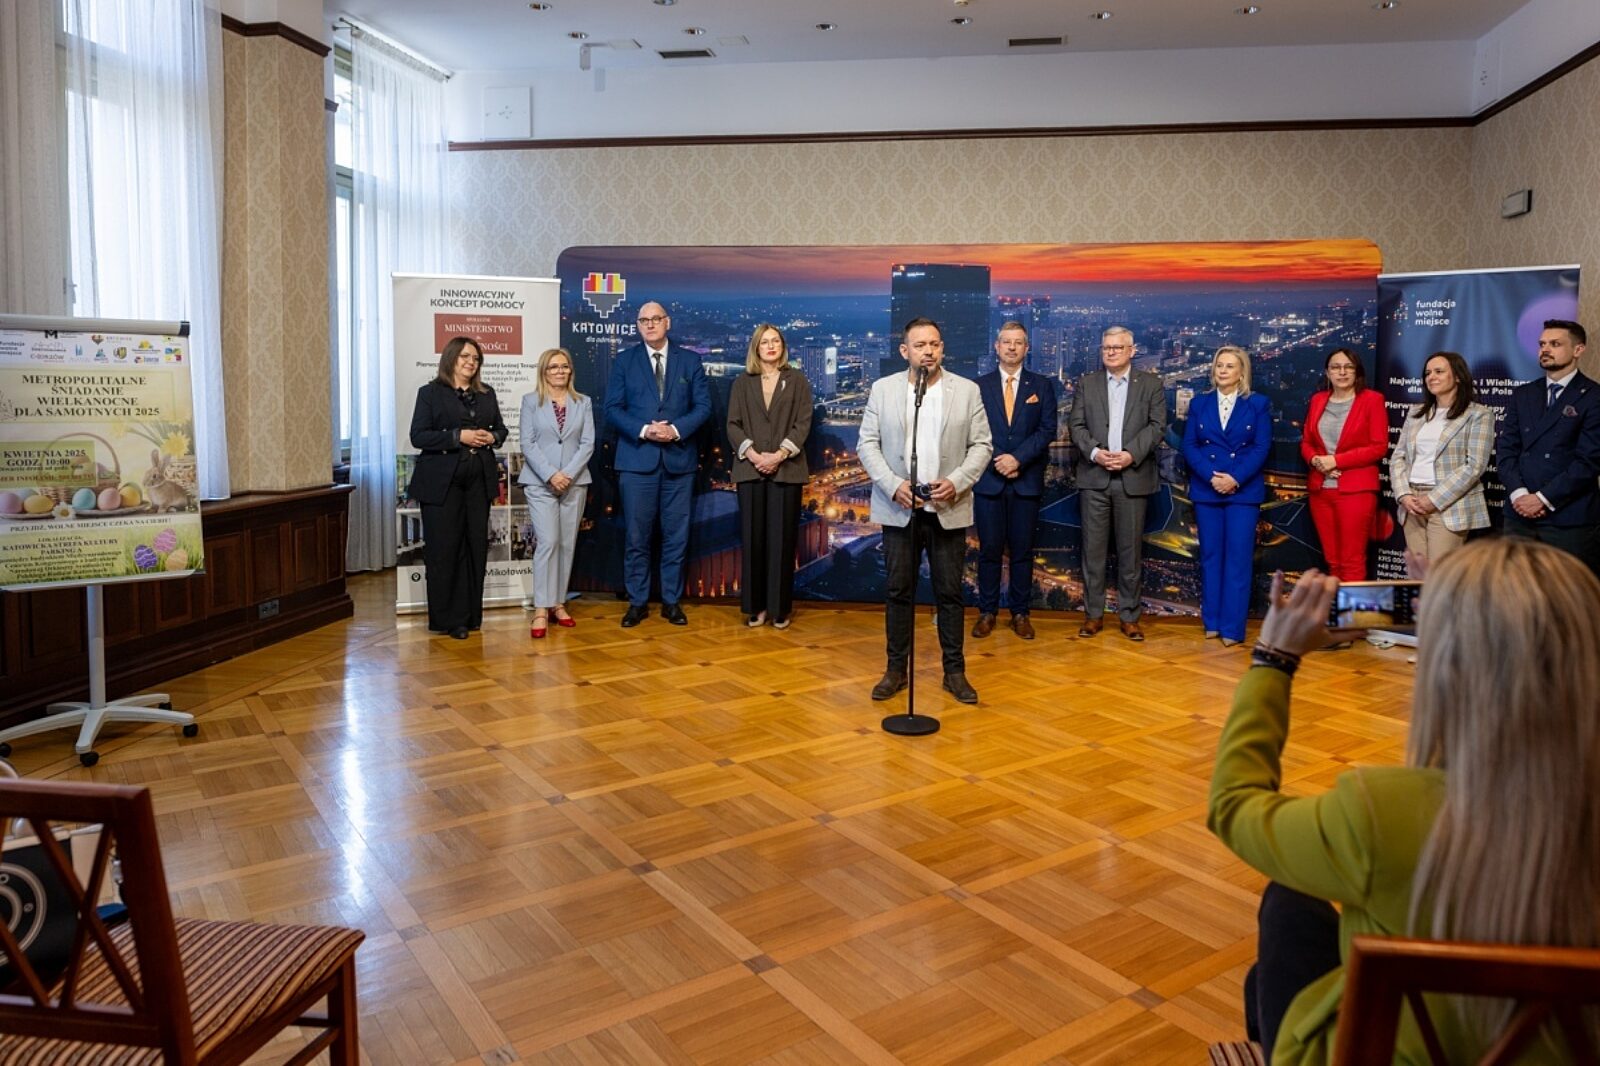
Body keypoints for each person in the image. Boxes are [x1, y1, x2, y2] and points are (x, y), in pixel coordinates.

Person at [1209, 538, 1600, 1063]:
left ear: (1447, 670)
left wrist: (1273, 660)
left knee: (1287, 907)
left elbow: (1233, 805)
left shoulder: (1383, 815)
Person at [858, 317, 992, 704]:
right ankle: (895, 670)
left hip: (948, 507)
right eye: (920, 345)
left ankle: (955, 673)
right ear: (905, 351)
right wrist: (893, 485)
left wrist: (958, 481)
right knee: (898, 591)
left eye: (934, 344)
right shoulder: (883, 390)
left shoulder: (966, 390)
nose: (928, 351)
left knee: (949, 593)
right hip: (900, 507)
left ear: (942, 349)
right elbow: (867, 444)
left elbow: (982, 445)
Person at [603, 301, 711, 627]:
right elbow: (612, 408)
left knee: (676, 538)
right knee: (637, 538)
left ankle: (671, 602)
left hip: (679, 463)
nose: (649, 324)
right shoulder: (624, 361)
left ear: (668, 322)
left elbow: (703, 407)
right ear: (638, 325)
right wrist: (645, 430)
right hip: (637, 462)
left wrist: (674, 430)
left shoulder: (690, 361)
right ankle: (637, 603)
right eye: (643, 320)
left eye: (655, 319)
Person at [1068, 326, 1167, 641]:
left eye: (1117, 347)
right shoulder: (1087, 383)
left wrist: (1130, 455)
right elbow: (1076, 425)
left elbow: (1157, 426)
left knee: (1130, 553)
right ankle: (1093, 616)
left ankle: (1129, 617)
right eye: (1106, 347)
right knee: (1092, 553)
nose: (1111, 352)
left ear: (1132, 351)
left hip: (1132, 478)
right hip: (1094, 477)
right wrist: (1096, 453)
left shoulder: (1151, 384)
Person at [407, 336, 508, 639]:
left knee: (475, 548)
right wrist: (457, 437)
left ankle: (471, 616)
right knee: (445, 550)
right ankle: (449, 620)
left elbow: (501, 429)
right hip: (441, 484)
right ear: (451, 358)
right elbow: (418, 436)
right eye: (465, 356)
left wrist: (493, 438)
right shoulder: (429, 393)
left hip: (478, 482)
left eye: (475, 358)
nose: (470, 362)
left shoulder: (487, 394)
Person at [972, 321, 1058, 641]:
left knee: (1022, 552)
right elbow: (974, 430)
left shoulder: (1042, 386)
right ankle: (987, 612)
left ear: (1027, 348)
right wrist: (1000, 459)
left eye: (1018, 342)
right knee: (989, 551)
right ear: (996, 347)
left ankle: (1020, 614)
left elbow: (1047, 430)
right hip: (989, 481)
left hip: (1026, 480)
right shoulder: (978, 386)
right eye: (1006, 342)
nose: (1011, 347)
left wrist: (1017, 459)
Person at [1495, 319, 1600, 577]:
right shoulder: (1523, 394)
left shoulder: (1594, 396)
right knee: (1515, 591)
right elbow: (1506, 451)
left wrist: (1541, 498)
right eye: (1542, 344)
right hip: (1519, 516)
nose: (1545, 349)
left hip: (1568, 519)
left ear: (1578, 350)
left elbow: (1589, 461)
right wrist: (1520, 495)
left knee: (1566, 594)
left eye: (1555, 344)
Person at [1181, 346, 1271, 646]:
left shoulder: (1258, 404)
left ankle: (1232, 629)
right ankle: (1212, 622)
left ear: (1242, 372)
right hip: (1207, 490)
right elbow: (1190, 445)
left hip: (1242, 492)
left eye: (1230, 366)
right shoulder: (1199, 403)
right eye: (1219, 365)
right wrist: (1211, 476)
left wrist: (1234, 478)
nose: (1222, 370)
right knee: (1210, 557)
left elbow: (1261, 447)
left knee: (1238, 560)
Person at [726, 324, 813, 629]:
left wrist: (778, 456)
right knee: (753, 541)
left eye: (776, 341)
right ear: (756, 348)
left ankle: (779, 609)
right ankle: (756, 607)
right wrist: (754, 456)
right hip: (750, 470)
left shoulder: (797, 380)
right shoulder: (742, 382)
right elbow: (733, 425)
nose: (771, 346)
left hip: (786, 470)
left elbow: (803, 423)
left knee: (782, 542)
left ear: (783, 346)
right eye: (765, 342)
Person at [1389, 350, 1493, 563]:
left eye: (1439, 371)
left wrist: (1433, 500)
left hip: (1449, 505)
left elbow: (1474, 466)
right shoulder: (1416, 412)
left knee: (1440, 574)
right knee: (1418, 573)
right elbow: (1398, 457)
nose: (1431, 377)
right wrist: (1403, 495)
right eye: (1428, 373)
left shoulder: (1478, 414)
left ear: (1457, 376)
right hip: (1411, 503)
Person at [519, 348, 595, 638]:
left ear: (570, 371)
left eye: (564, 366)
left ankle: (558, 604)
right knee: (548, 542)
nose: (559, 371)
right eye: (553, 367)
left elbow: (587, 443)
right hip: (540, 483)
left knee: (566, 544)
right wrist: (551, 474)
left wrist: (568, 475)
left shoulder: (583, 402)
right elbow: (527, 443)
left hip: (574, 482)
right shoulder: (530, 401)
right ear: (544, 371)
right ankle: (541, 608)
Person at [1300, 347, 1387, 582]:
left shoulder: (1372, 400)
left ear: (1357, 371)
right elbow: (1307, 442)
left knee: (1352, 561)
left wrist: (1335, 461)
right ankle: (1337, 605)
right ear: (1327, 372)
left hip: (1355, 491)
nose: (1342, 372)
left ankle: (1352, 608)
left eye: (1348, 367)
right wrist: (1315, 460)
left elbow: (1378, 447)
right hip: (1321, 491)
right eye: (1336, 367)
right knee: (1332, 561)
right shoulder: (1318, 400)